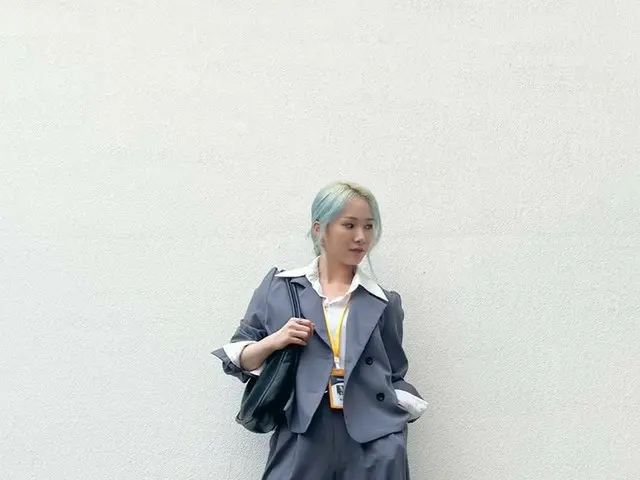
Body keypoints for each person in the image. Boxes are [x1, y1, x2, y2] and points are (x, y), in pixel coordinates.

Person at [213, 181, 428, 480]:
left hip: (373, 438)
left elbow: (394, 372)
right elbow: (237, 359)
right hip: (303, 430)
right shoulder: (280, 288)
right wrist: (275, 341)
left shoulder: (384, 301)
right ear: (319, 229)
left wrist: (397, 418)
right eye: (349, 225)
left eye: (368, 226)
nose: (361, 237)